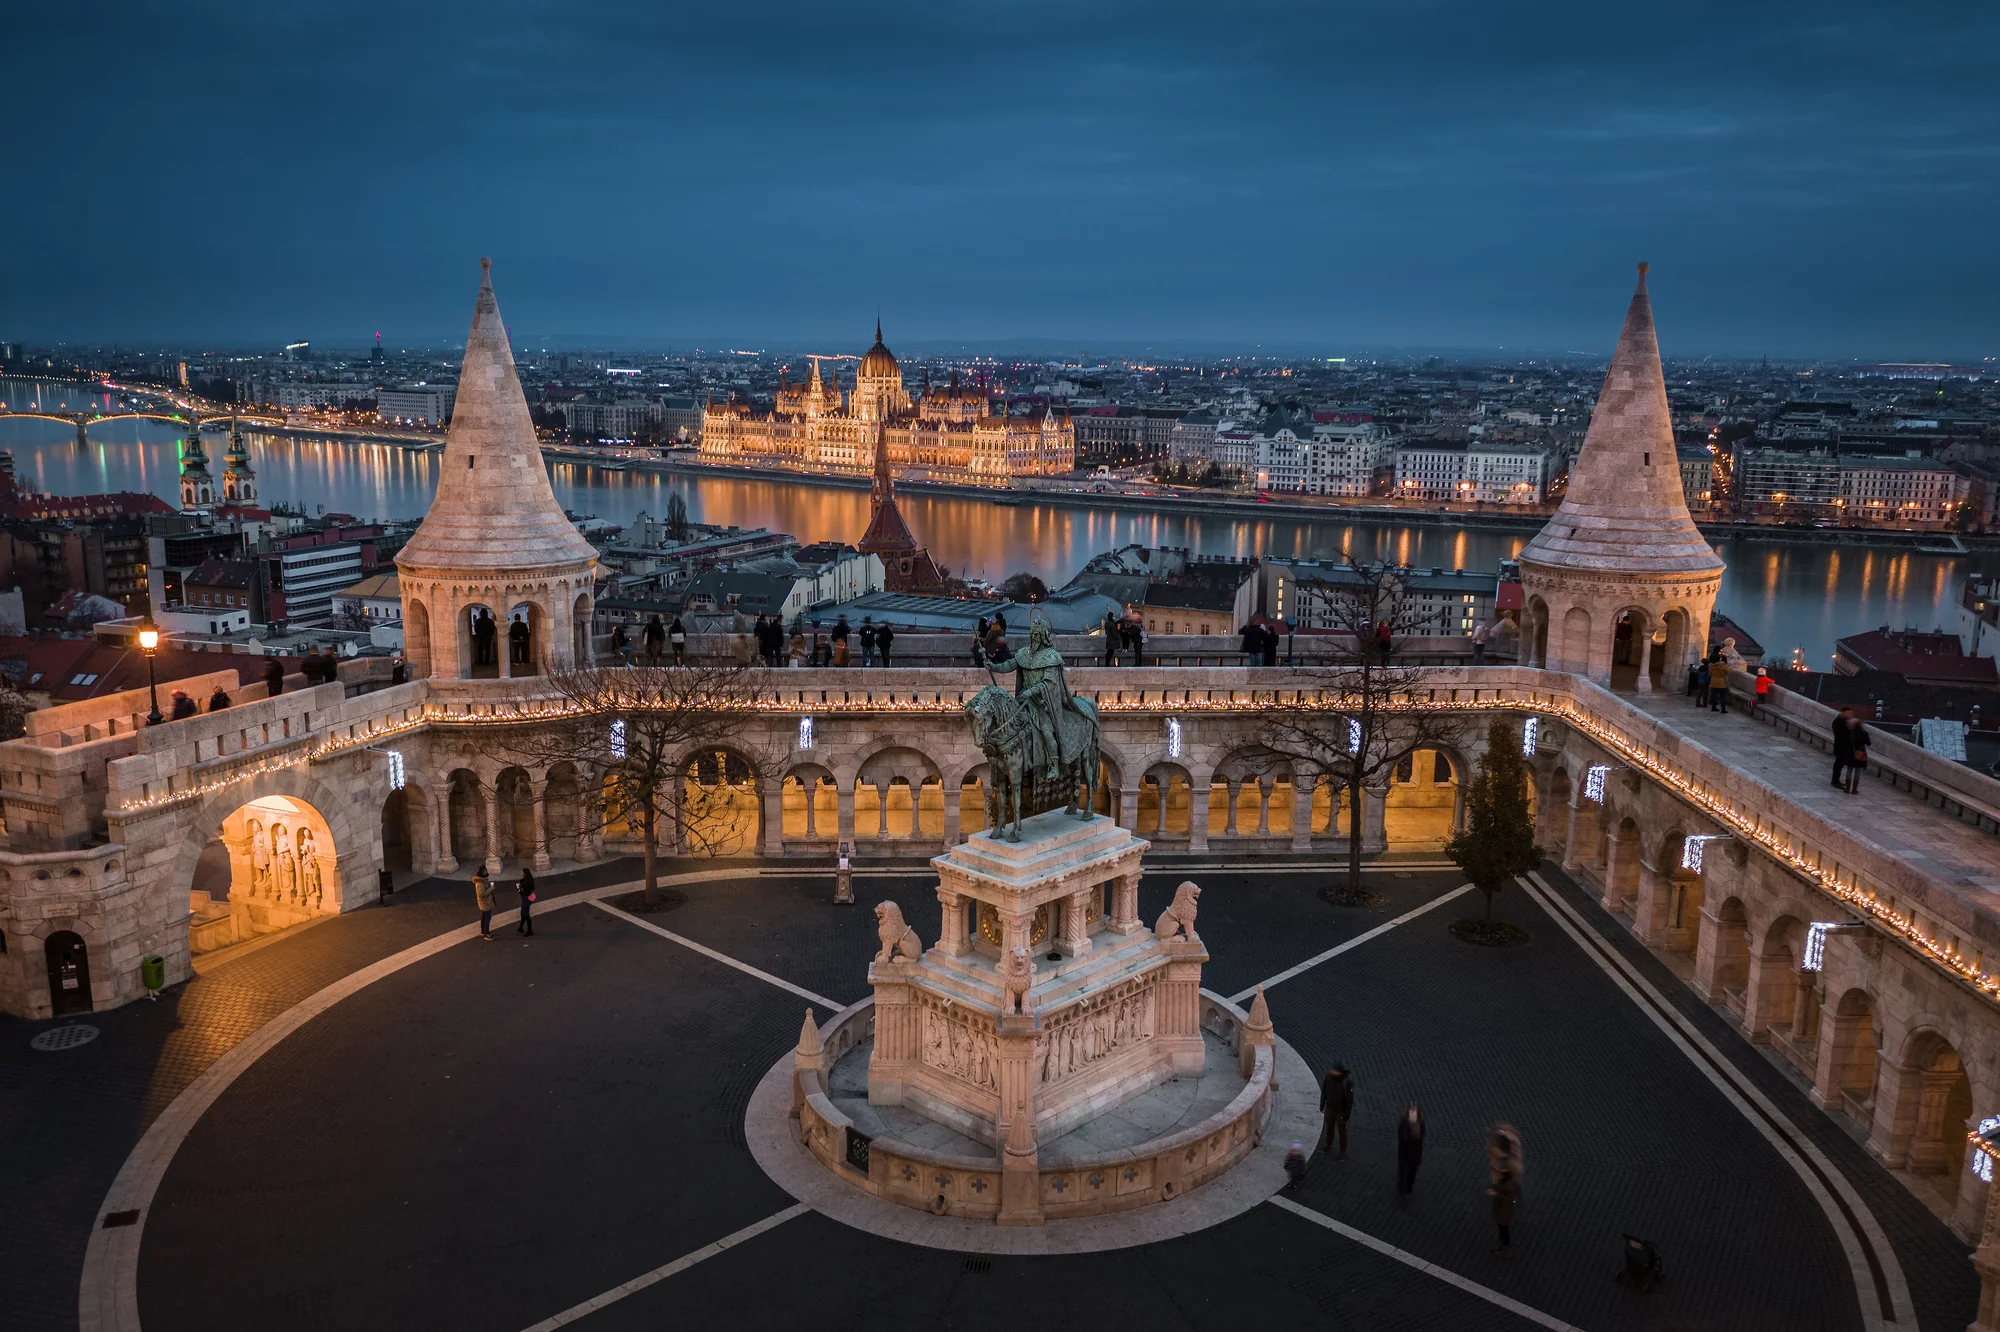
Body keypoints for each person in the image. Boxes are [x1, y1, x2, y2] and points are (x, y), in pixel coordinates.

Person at [1488, 1125, 1523, 1258]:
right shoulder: (1503, 1180)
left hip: (1504, 1211)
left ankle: (1506, 1249)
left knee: (1504, 1230)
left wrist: (1495, 1194)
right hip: (1500, 1210)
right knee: (1501, 1229)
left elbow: (1508, 1199)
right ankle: (1502, 1244)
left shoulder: (1509, 1184)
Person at [1318, 1064, 1354, 1159]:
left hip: (1340, 1111)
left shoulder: (1347, 1083)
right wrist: (1322, 1104)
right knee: (1329, 1127)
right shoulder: (1328, 1077)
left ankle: (1343, 1151)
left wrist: (1347, 1114)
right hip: (1330, 1108)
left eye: (1335, 1071)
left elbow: (1350, 1100)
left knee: (1342, 1131)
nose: (1333, 1072)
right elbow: (1324, 1091)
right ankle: (1328, 1144)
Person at [1396, 1106, 1425, 1194]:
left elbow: (1421, 1138)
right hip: (1405, 1150)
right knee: (1403, 1169)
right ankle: (1401, 1186)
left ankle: (1408, 1185)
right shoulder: (1404, 1124)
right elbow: (1401, 1135)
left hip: (1414, 1151)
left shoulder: (1421, 1124)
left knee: (1412, 1170)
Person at [1845, 713, 1870, 794]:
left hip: (1850, 753)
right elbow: (1868, 743)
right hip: (1860, 753)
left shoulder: (1850, 732)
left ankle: (1847, 788)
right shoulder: (1864, 733)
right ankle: (1854, 789)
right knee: (1857, 771)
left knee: (1849, 770)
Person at [473, 870, 495, 940]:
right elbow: (482, 894)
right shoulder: (480, 883)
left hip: (484, 903)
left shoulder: (482, 881)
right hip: (485, 903)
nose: (487, 872)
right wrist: (491, 888)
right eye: (486, 871)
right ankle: (486, 934)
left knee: (484, 917)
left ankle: (483, 931)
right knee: (487, 918)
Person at [516, 866, 536, 937]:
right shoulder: (529, 880)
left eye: (522, 872)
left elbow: (525, 892)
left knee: (526, 915)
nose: (521, 873)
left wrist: (519, 890)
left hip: (526, 899)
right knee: (523, 913)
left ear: (525, 873)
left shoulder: (526, 881)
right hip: (528, 899)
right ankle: (521, 927)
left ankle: (529, 930)